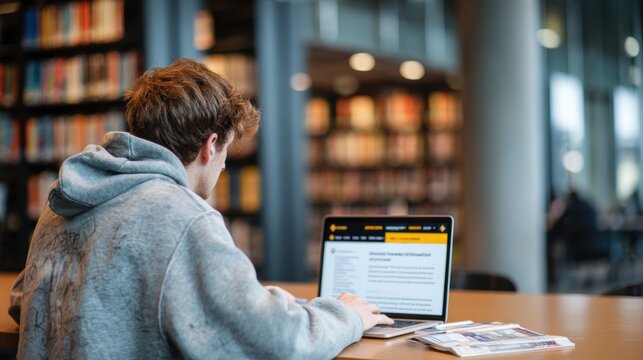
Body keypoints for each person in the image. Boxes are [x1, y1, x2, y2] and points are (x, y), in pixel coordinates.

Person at [11, 59, 393, 359]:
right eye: (226, 150)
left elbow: (26, 299)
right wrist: (347, 315)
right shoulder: (181, 214)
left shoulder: (66, 200)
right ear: (210, 145)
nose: (224, 165)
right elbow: (276, 342)